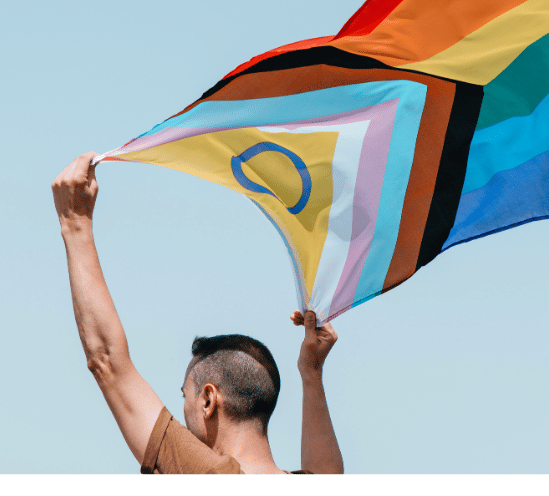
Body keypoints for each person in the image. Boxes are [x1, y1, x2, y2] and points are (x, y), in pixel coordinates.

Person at [52, 151, 343, 475]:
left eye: (184, 396)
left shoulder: (210, 476)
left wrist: (74, 224)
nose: (183, 413)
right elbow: (329, 475)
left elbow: (107, 362)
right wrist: (311, 373)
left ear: (208, 400)